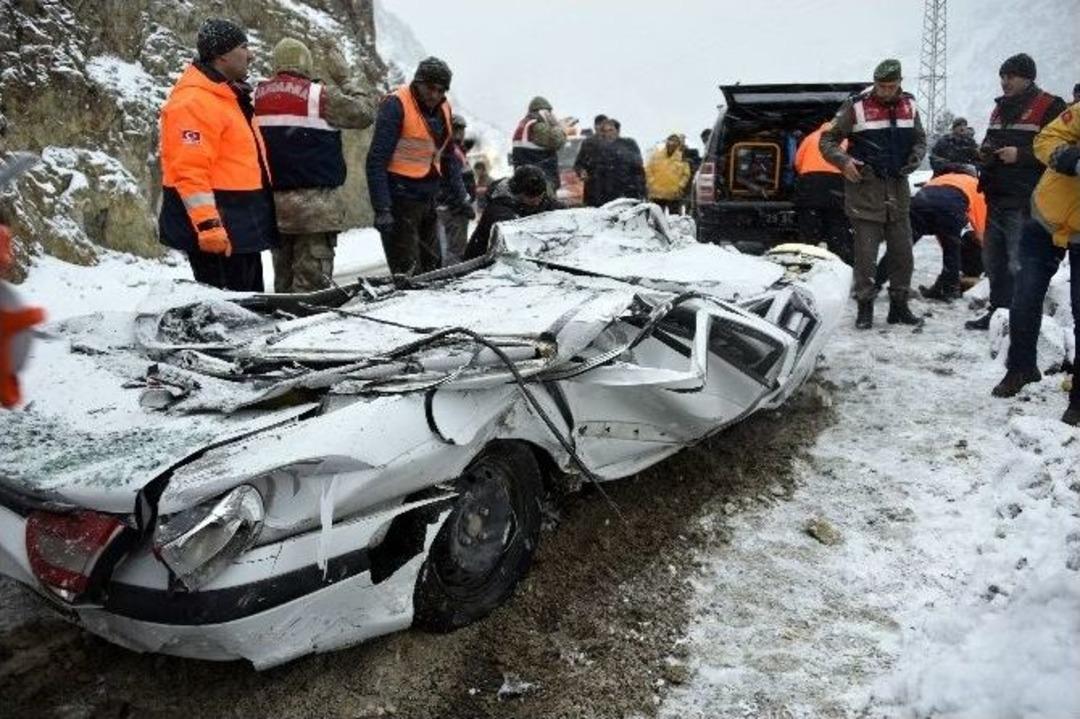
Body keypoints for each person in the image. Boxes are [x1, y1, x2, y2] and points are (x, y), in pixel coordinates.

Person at [158, 18, 277, 291]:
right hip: (218, 230)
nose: (251, 54)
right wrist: (209, 226)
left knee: (251, 310)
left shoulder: (226, 97)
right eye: (244, 47)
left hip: (240, 226)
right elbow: (189, 170)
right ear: (222, 54)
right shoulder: (194, 102)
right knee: (233, 316)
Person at [253, 38, 374, 293]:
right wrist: (345, 78)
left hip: (275, 210)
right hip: (316, 212)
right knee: (311, 293)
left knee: (284, 288)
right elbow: (365, 113)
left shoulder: (256, 97)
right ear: (306, 64)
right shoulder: (320, 96)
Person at [990, 101, 1079, 426]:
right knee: (1025, 295)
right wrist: (1071, 158)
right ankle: (1021, 367)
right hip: (1047, 218)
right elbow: (1044, 141)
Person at [820, 59, 927, 329]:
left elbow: (920, 139)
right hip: (865, 193)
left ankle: (899, 306)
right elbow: (827, 140)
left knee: (903, 255)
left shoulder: (910, 105)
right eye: (881, 85)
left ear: (900, 83)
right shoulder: (856, 106)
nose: (886, 91)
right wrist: (843, 162)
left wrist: (915, 157)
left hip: (898, 193)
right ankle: (864, 308)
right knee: (865, 258)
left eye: (891, 86)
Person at [965, 53, 1067, 330]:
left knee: (1019, 263)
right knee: (994, 261)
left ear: (1028, 78)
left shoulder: (1050, 106)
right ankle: (998, 314)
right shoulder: (1000, 108)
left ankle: (1019, 321)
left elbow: (1058, 150)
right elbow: (990, 138)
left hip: (1027, 199)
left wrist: (1020, 155)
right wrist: (984, 151)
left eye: (1010, 76)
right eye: (1002, 76)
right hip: (996, 195)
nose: (1004, 82)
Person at [365, 57, 465, 276]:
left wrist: (460, 196)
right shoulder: (396, 105)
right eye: (430, 88)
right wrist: (382, 209)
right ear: (417, 83)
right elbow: (376, 161)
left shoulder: (444, 109)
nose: (435, 95)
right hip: (399, 201)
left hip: (428, 199)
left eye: (441, 90)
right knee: (408, 273)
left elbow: (448, 157)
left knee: (433, 269)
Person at [877, 170, 986, 300]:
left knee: (900, 248)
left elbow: (935, 207)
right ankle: (948, 289)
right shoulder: (977, 186)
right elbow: (981, 230)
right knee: (951, 251)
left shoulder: (942, 178)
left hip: (920, 203)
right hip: (950, 206)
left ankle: (875, 282)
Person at [463, 165, 562, 260]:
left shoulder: (544, 200)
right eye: (530, 198)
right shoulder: (499, 210)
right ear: (516, 192)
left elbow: (556, 209)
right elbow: (516, 244)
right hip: (485, 265)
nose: (536, 202)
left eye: (539, 197)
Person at [794, 120, 852, 264]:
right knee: (837, 226)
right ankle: (840, 262)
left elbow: (797, 162)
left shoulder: (810, 137)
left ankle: (806, 261)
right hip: (835, 185)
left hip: (810, 184)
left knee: (809, 227)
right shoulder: (844, 139)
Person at [435, 114, 475, 266]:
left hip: (450, 205)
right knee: (455, 251)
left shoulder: (454, 149)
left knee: (450, 249)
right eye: (456, 128)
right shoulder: (450, 150)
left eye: (462, 128)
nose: (460, 132)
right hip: (454, 208)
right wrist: (465, 203)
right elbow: (455, 180)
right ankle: (452, 281)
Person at [579, 118, 646, 206]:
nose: (608, 134)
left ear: (618, 131)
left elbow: (638, 170)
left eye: (611, 130)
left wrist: (641, 192)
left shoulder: (628, 145)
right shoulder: (593, 148)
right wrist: (581, 171)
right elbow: (581, 164)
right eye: (605, 131)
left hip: (625, 195)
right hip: (600, 197)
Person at [510, 96, 566, 190]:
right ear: (543, 111)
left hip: (526, 180)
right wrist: (559, 127)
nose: (551, 115)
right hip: (540, 181)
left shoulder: (525, 124)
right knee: (546, 203)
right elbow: (557, 141)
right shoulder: (538, 126)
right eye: (549, 112)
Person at [645, 134, 691, 214]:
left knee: (675, 220)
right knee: (656, 219)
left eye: (675, 142)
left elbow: (686, 174)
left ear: (678, 145)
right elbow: (648, 169)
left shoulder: (682, 158)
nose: (672, 144)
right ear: (666, 143)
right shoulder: (656, 155)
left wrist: (680, 186)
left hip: (674, 195)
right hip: (657, 194)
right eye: (670, 141)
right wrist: (651, 182)